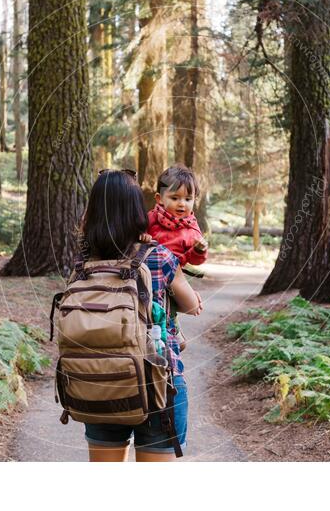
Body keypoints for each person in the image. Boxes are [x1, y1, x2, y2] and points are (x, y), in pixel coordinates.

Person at [79, 169, 202, 462]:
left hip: (100, 382)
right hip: (158, 381)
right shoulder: (157, 255)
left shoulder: (82, 262)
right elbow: (191, 305)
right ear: (139, 209)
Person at [146, 164, 208, 267]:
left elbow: (194, 260)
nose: (182, 204)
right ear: (159, 198)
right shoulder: (152, 217)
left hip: (173, 274)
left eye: (188, 199)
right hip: (145, 269)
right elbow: (135, 234)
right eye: (174, 198)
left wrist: (199, 250)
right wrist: (142, 236)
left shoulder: (191, 229)